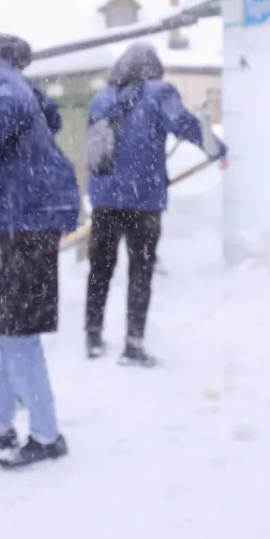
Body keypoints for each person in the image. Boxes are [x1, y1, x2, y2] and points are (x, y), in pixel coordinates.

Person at [0, 26, 80, 469]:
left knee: (18, 334)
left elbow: (15, 107)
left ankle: (46, 435)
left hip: (24, 224)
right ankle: (0, 425)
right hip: (17, 220)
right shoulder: (5, 78)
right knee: (5, 332)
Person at [83, 43, 226, 366]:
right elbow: (186, 124)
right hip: (142, 201)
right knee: (140, 272)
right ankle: (133, 345)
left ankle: (92, 336)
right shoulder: (159, 93)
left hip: (105, 200)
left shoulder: (101, 99)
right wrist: (217, 148)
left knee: (100, 269)